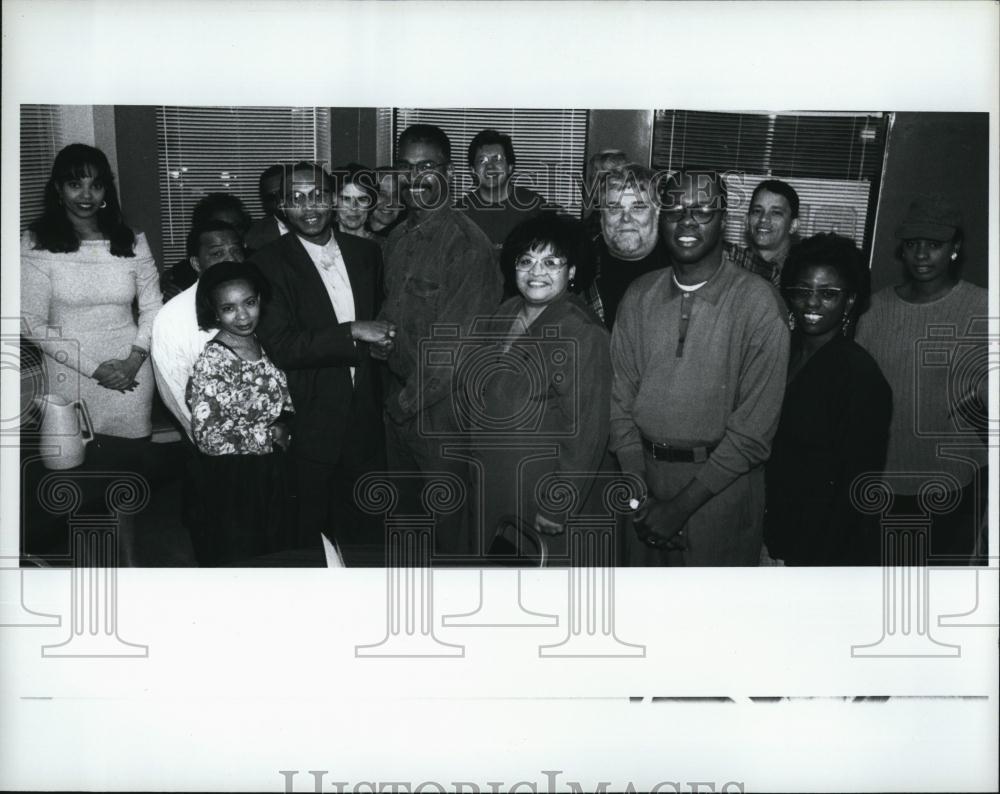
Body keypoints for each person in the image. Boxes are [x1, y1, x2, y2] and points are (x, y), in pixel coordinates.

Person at [610, 169, 790, 566]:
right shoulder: (639, 296)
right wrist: (639, 492)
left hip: (719, 492)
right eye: (674, 209)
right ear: (661, 218)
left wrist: (677, 509)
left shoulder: (759, 303)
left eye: (703, 210)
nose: (687, 220)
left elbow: (753, 433)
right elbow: (618, 402)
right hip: (643, 483)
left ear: (724, 220)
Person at [253, 161, 393, 558]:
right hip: (311, 422)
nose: (309, 206)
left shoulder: (367, 253)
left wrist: (381, 346)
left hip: (365, 419)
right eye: (296, 198)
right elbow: (282, 346)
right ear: (281, 206)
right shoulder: (266, 263)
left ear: (332, 199)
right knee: (309, 539)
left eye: (317, 194)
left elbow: (378, 325)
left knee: (368, 536)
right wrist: (350, 331)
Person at [377, 123, 503, 555]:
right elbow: (395, 309)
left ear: (448, 172)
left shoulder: (468, 245)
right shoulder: (395, 238)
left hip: (442, 414)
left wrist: (404, 404)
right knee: (407, 528)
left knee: (449, 535)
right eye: (406, 167)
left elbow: (458, 347)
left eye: (427, 166)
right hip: (400, 404)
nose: (415, 178)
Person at [462, 214, 611, 544]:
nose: (536, 272)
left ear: (571, 271)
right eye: (526, 260)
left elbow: (588, 430)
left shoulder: (582, 332)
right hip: (493, 483)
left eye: (551, 262)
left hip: (539, 496)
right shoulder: (504, 313)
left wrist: (559, 503)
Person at [856, 194, 988, 563]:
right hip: (882, 481)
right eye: (913, 244)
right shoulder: (875, 310)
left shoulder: (982, 307)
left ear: (955, 248)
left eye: (933, 245)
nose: (921, 254)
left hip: (954, 484)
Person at [764, 233, 892, 566]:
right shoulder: (780, 351)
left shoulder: (859, 376)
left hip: (816, 545)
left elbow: (854, 493)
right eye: (803, 291)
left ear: (850, 301)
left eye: (828, 294)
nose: (812, 303)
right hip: (765, 527)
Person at [21, 143, 162, 439]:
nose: (86, 196)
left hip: (132, 373)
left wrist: (134, 360)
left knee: (133, 469)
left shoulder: (133, 240)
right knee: (77, 471)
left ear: (106, 191)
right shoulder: (35, 242)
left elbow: (153, 309)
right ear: (58, 189)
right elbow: (30, 322)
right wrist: (95, 370)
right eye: (75, 184)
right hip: (70, 375)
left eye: (95, 185)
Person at [186, 261, 293, 565]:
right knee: (243, 559)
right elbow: (207, 437)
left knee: (275, 555)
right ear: (215, 312)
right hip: (234, 477)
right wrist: (269, 435)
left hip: (269, 470)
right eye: (229, 308)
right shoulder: (214, 359)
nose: (243, 315)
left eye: (249, 303)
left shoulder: (260, 341)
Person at [151, 219, 245, 439]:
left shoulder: (258, 301)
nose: (230, 259)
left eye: (236, 251)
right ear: (195, 263)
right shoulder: (173, 317)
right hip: (216, 441)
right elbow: (176, 396)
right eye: (217, 254)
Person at [585, 164, 669, 329]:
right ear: (601, 214)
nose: (626, 219)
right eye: (615, 208)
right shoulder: (580, 268)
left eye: (638, 208)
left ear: (657, 211)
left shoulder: (681, 267)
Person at [457, 128, 545, 251]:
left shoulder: (533, 205)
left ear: (510, 167)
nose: (490, 166)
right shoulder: (461, 211)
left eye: (497, 159)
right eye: (482, 160)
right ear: (473, 170)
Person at [164, 192, 253, 299]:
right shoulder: (183, 274)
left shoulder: (260, 262)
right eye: (219, 226)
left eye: (236, 226)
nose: (228, 232)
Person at [730, 179, 801, 285]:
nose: (763, 219)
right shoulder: (732, 263)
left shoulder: (801, 271)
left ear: (793, 225)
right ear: (746, 220)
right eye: (757, 211)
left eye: (776, 213)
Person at [244, 164, 289, 252]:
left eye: (283, 193)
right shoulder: (254, 239)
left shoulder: (318, 223)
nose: (280, 202)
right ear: (265, 203)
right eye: (271, 198)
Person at [332, 163, 378, 241]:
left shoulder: (386, 247)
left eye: (362, 199)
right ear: (334, 199)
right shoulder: (322, 247)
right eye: (346, 199)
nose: (354, 207)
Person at [367, 168, 406, 242]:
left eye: (395, 195)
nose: (389, 202)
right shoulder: (354, 233)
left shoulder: (405, 239)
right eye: (382, 194)